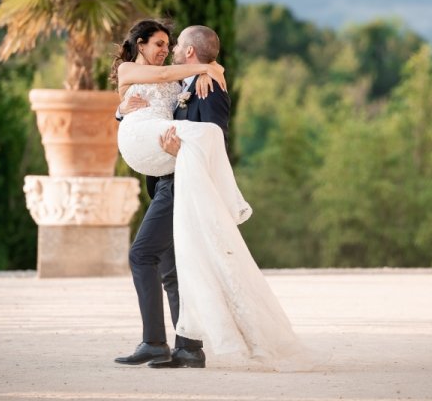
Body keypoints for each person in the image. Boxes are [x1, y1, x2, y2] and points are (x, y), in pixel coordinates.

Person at [111, 19, 306, 370]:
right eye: (158, 44)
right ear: (139, 44)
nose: (166, 51)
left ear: (187, 51)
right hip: (166, 180)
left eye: (170, 45)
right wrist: (121, 111)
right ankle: (187, 348)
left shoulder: (206, 86)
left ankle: (155, 343)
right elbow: (147, 100)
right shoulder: (177, 80)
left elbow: (214, 135)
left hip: (181, 182)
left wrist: (210, 73)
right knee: (173, 269)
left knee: (142, 255)